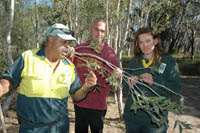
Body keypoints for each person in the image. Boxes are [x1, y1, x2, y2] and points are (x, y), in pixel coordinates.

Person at [0, 23, 97, 133]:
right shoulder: (28, 57)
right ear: (50, 38)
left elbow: (76, 96)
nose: (68, 47)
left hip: (60, 128)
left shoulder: (69, 67)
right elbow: (9, 80)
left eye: (69, 43)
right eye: (64, 42)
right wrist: (1, 88)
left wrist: (86, 88)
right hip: (31, 128)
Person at [122, 27, 181, 133]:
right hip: (132, 119)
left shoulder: (168, 62)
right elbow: (124, 89)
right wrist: (128, 82)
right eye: (141, 42)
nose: (145, 45)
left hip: (155, 122)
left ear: (155, 41)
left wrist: (154, 82)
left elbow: (175, 88)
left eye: (148, 41)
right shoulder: (134, 62)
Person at [70, 18, 122, 133]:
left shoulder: (109, 54)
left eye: (102, 31)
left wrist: (117, 76)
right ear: (90, 29)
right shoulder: (80, 49)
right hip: (80, 102)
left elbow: (115, 82)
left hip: (98, 106)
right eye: (96, 30)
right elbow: (68, 68)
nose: (99, 34)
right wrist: (67, 53)